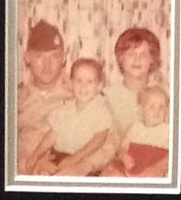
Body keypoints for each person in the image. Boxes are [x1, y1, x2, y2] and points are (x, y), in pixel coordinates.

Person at [22, 53, 117, 178]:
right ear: (71, 83)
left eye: (90, 81)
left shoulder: (101, 110)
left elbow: (99, 140)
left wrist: (75, 158)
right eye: (79, 81)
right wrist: (35, 155)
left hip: (83, 158)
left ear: (99, 86)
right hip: (58, 155)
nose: (83, 86)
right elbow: (51, 135)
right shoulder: (64, 108)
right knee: (39, 175)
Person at [13, 19, 69, 175]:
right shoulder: (14, 99)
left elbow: (107, 139)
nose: (47, 65)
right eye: (39, 56)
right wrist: (28, 165)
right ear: (27, 58)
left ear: (63, 57)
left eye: (54, 56)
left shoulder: (81, 93)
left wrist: (81, 165)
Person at [104, 26, 164, 159]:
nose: (137, 60)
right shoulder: (107, 96)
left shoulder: (164, 95)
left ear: (152, 60)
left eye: (144, 55)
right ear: (120, 58)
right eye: (131, 54)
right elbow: (109, 142)